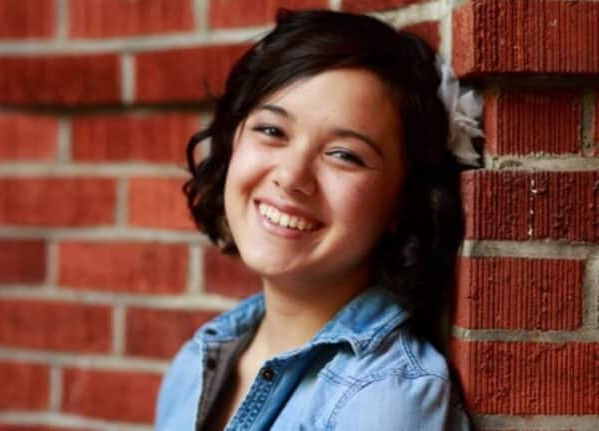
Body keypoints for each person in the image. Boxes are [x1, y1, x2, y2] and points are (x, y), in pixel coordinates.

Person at [156, 8, 480, 431]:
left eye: (344, 155)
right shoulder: (195, 363)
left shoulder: (384, 397)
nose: (292, 178)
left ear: (402, 202)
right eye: (272, 131)